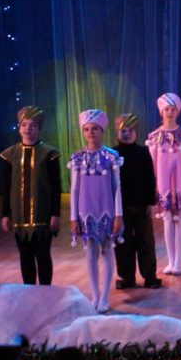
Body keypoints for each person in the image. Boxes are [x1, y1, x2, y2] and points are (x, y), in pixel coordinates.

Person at [68, 109, 123, 313]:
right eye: (87, 129)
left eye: (95, 129)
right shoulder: (77, 158)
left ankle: (105, 297)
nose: (91, 132)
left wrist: (118, 214)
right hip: (86, 211)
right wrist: (73, 217)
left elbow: (117, 187)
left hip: (107, 209)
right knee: (90, 252)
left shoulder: (111, 156)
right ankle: (95, 296)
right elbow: (74, 189)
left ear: (102, 131)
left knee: (107, 250)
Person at [0, 106, 61, 285]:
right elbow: (6, 186)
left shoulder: (49, 154)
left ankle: (45, 292)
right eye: (24, 125)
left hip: (43, 214)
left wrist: (55, 214)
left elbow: (56, 186)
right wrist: (5, 214)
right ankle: (29, 292)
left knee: (42, 254)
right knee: (25, 256)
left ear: (39, 128)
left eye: (32, 125)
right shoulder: (10, 155)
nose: (28, 129)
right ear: (19, 128)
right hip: (19, 214)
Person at [148, 93, 181, 275]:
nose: (169, 112)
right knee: (167, 220)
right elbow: (152, 165)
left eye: (173, 109)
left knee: (180, 220)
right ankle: (170, 261)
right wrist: (153, 187)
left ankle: (178, 262)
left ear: (178, 111)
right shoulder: (154, 136)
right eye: (166, 109)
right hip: (163, 186)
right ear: (161, 112)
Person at [112, 113, 162, 290]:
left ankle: (150, 276)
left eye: (130, 130)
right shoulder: (112, 154)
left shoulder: (142, 152)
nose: (126, 134)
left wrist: (151, 202)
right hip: (120, 207)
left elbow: (150, 178)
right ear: (117, 133)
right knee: (122, 242)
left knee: (145, 241)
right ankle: (126, 277)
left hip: (141, 204)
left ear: (136, 132)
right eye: (123, 131)